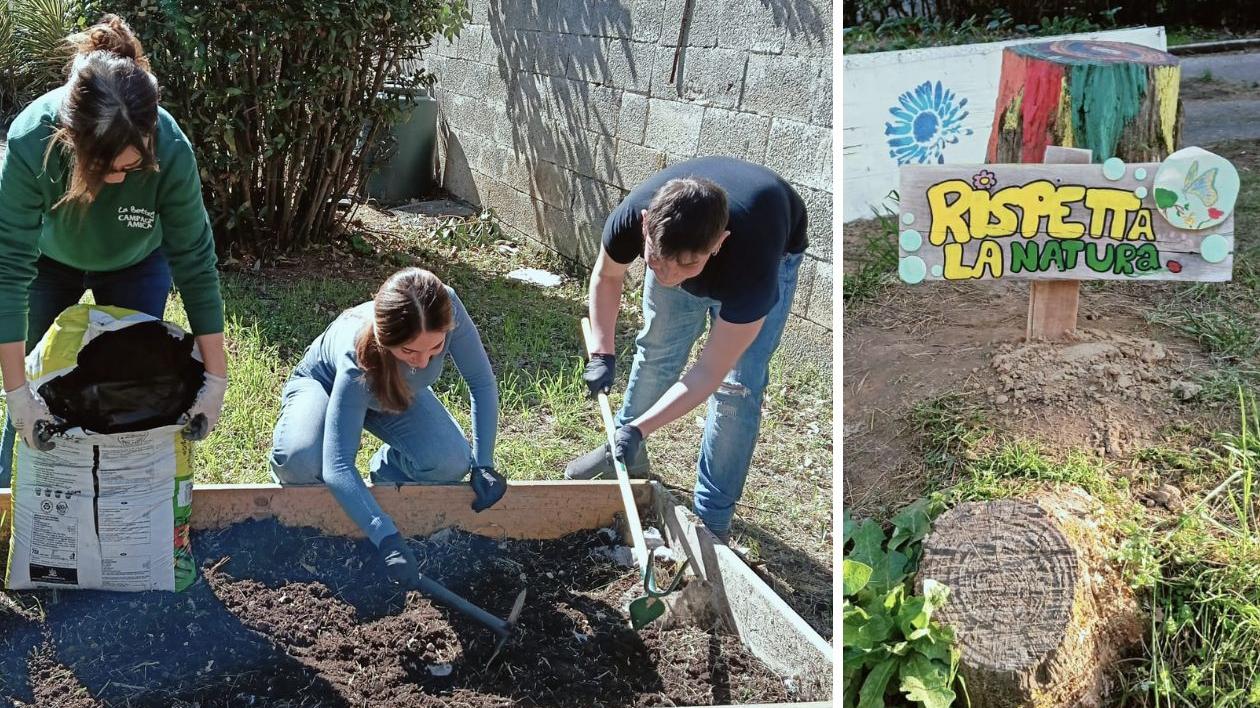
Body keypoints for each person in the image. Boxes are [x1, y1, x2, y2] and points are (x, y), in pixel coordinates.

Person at [0, 14, 227, 485]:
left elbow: (196, 263)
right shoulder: (29, 142)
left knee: (131, 379)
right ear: (71, 142)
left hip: (136, 262)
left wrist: (216, 380)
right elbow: (8, 271)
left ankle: (121, 492)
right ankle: (13, 491)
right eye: (107, 168)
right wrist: (16, 392)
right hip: (48, 262)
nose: (120, 179)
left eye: (133, 165)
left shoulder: (172, 149)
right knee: (38, 384)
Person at [564, 156, 808, 545]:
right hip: (686, 242)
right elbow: (606, 276)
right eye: (656, 262)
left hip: (771, 244)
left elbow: (709, 372)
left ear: (718, 244)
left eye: (684, 267)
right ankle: (624, 457)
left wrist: (642, 427)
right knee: (657, 350)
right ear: (645, 225)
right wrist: (602, 351)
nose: (668, 278)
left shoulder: (750, 270)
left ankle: (712, 521)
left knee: (736, 389)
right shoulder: (634, 218)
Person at [269, 267, 505, 585]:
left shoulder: (446, 306)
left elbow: (481, 383)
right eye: (409, 350)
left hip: (393, 391)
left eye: (434, 349)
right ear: (385, 337)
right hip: (325, 385)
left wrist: (485, 463)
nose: (422, 362)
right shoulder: (357, 358)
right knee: (301, 463)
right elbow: (338, 465)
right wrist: (387, 537)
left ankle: (385, 474)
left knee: (450, 461)